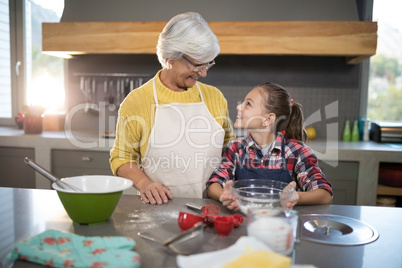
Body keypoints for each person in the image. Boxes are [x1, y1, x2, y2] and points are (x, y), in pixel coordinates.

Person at [109, 12, 235, 205]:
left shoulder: (214, 97)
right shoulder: (138, 101)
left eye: (208, 64)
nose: (204, 73)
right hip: (160, 210)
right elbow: (121, 157)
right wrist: (144, 183)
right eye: (197, 65)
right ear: (170, 57)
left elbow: (230, 149)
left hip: (213, 209)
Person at [207, 82, 332, 210]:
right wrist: (224, 196)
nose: (239, 107)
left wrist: (294, 197)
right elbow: (214, 184)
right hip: (243, 221)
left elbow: (325, 194)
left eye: (248, 104)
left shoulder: (296, 152)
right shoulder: (235, 148)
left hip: (280, 225)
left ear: (268, 119)